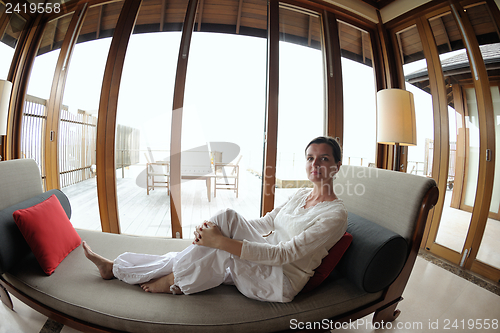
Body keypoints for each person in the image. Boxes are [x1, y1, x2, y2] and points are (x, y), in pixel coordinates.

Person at [83, 136, 347, 303]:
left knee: (215, 245)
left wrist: (221, 241)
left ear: (337, 165)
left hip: (279, 280)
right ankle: (120, 267)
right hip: (265, 262)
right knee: (227, 218)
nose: (315, 164)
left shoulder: (335, 215)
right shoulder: (301, 194)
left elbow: (283, 254)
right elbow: (266, 223)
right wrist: (216, 232)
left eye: (324, 159)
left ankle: (173, 280)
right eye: (310, 158)